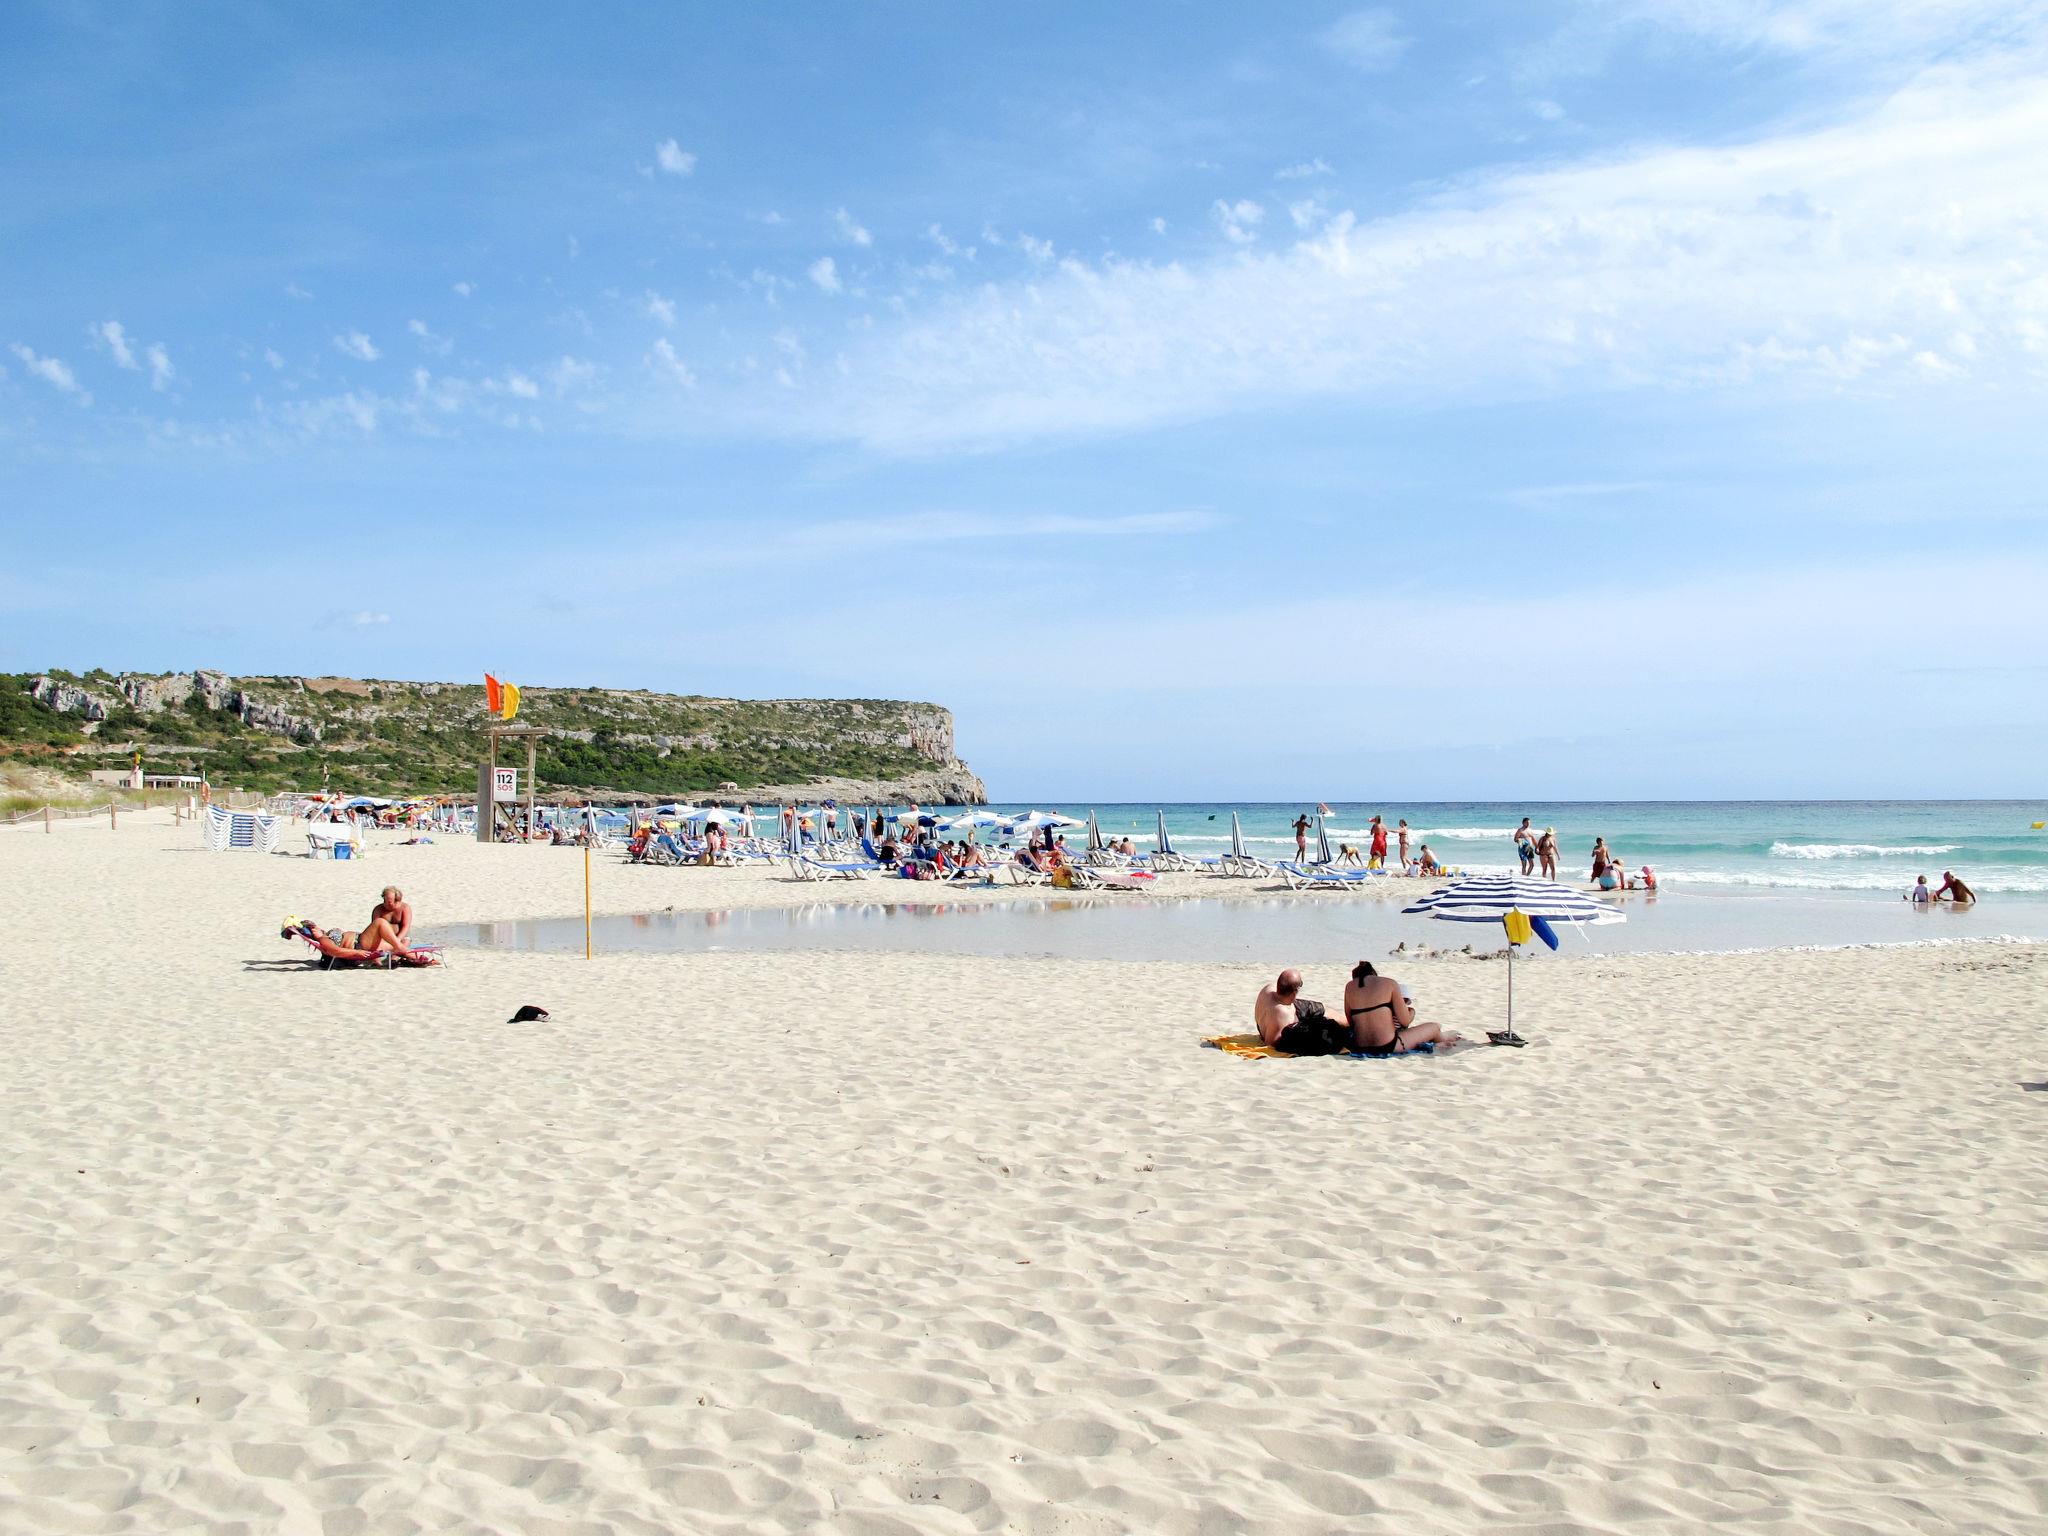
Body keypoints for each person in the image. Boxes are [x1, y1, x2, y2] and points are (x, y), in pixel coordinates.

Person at [1343, 961, 1460, 1053]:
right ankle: (1443, 1042)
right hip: (1388, 1045)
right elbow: (1405, 1022)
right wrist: (1411, 1012)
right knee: (1434, 1027)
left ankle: (1442, 1040)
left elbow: (1351, 1023)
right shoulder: (1389, 983)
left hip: (1360, 1046)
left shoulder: (1349, 987)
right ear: (1374, 974)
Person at [1253, 970, 1355, 1056]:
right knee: (1325, 1018)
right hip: (1288, 1015)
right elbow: (1271, 1043)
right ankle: (1352, 1025)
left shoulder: (1267, 989)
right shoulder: (1283, 1014)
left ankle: (1348, 1024)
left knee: (1321, 1009)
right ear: (1294, 992)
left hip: (1289, 1006)